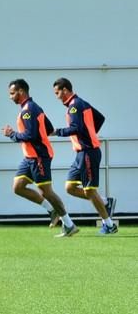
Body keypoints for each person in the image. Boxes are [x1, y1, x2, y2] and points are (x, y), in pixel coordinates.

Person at [1, 79, 78, 238]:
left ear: (21, 92)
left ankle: (69, 224)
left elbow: (31, 135)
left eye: (12, 93)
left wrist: (12, 135)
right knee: (18, 187)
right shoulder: (33, 108)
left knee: (47, 192)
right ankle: (52, 211)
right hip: (29, 157)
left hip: (39, 157)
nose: (10, 97)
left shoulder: (28, 110)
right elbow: (48, 128)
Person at [51, 77, 117, 235]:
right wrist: (90, 133)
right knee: (70, 187)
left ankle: (109, 225)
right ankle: (105, 202)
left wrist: (55, 132)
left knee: (89, 190)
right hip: (81, 154)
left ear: (65, 90)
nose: (57, 96)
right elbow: (100, 118)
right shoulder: (81, 103)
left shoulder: (75, 106)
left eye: (57, 92)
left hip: (88, 152)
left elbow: (75, 128)